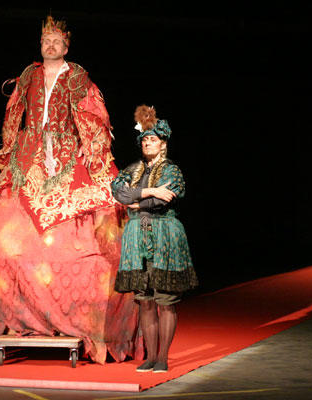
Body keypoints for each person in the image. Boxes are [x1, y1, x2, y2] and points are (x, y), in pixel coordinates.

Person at [0, 16, 140, 364]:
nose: (50, 45)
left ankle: (83, 322)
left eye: (56, 40)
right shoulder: (29, 75)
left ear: (66, 45)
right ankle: (24, 319)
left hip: (68, 150)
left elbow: (94, 116)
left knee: (85, 240)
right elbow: (14, 112)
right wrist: (9, 149)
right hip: (29, 154)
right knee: (5, 241)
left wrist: (92, 148)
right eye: (46, 39)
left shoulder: (79, 77)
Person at [111, 105, 198, 373]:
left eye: (152, 139)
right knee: (145, 300)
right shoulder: (132, 169)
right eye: (144, 140)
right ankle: (150, 357)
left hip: (164, 236)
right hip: (137, 238)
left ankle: (162, 357)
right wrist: (149, 192)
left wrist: (139, 202)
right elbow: (119, 192)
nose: (147, 143)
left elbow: (166, 199)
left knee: (165, 300)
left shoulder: (171, 170)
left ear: (163, 144)